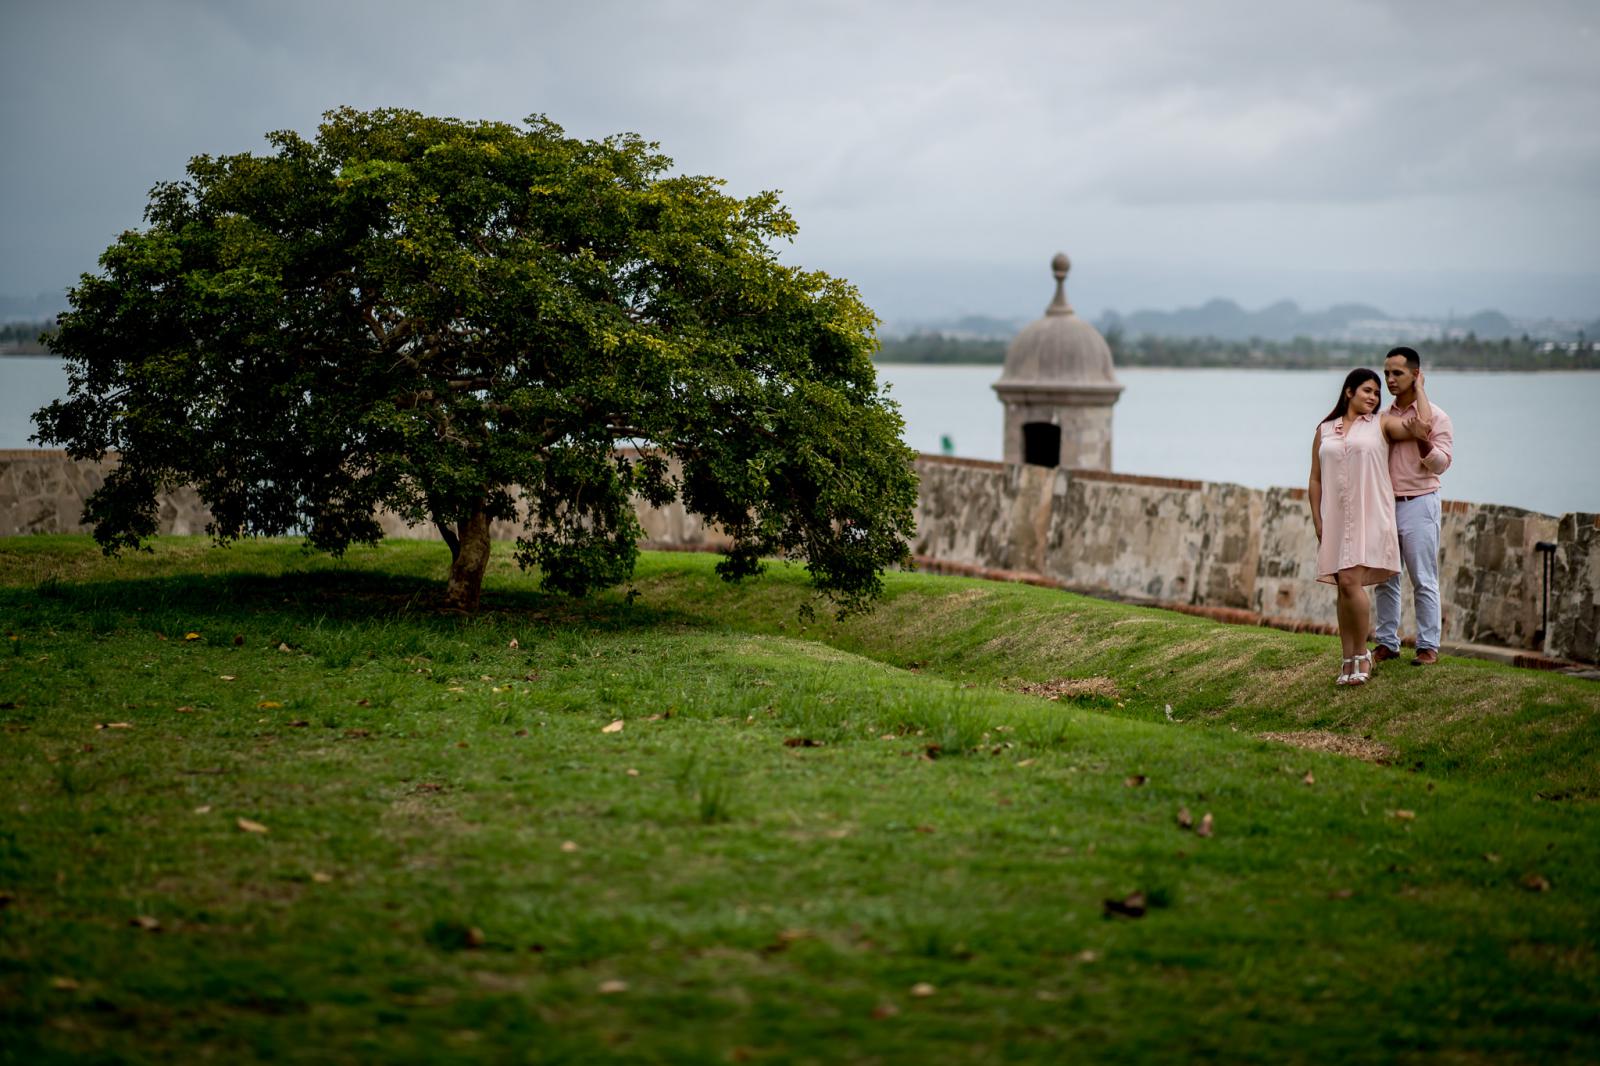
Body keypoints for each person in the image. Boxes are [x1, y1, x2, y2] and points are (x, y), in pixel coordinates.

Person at [1308, 368, 1432, 686]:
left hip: (1371, 514)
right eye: (1367, 390)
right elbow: (1316, 478)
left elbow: (1423, 427)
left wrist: (1418, 389)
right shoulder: (1324, 430)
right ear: (1349, 391)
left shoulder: (1381, 424)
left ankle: (1362, 655)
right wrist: (1318, 519)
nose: (1374, 397)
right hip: (1335, 518)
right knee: (1343, 587)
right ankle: (1348, 658)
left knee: (1352, 581)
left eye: (1377, 393)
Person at [1372, 346, 1453, 666]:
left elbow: (1440, 465)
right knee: (1385, 578)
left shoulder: (1438, 417)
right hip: (1385, 505)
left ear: (1416, 376)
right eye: (1386, 372)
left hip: (1419, 503)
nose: (1389, 379)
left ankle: (1428, 646)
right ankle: (1387, 642)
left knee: (1423, 577)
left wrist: (1422, 438)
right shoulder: (1381, 418)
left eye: (1397, 373)